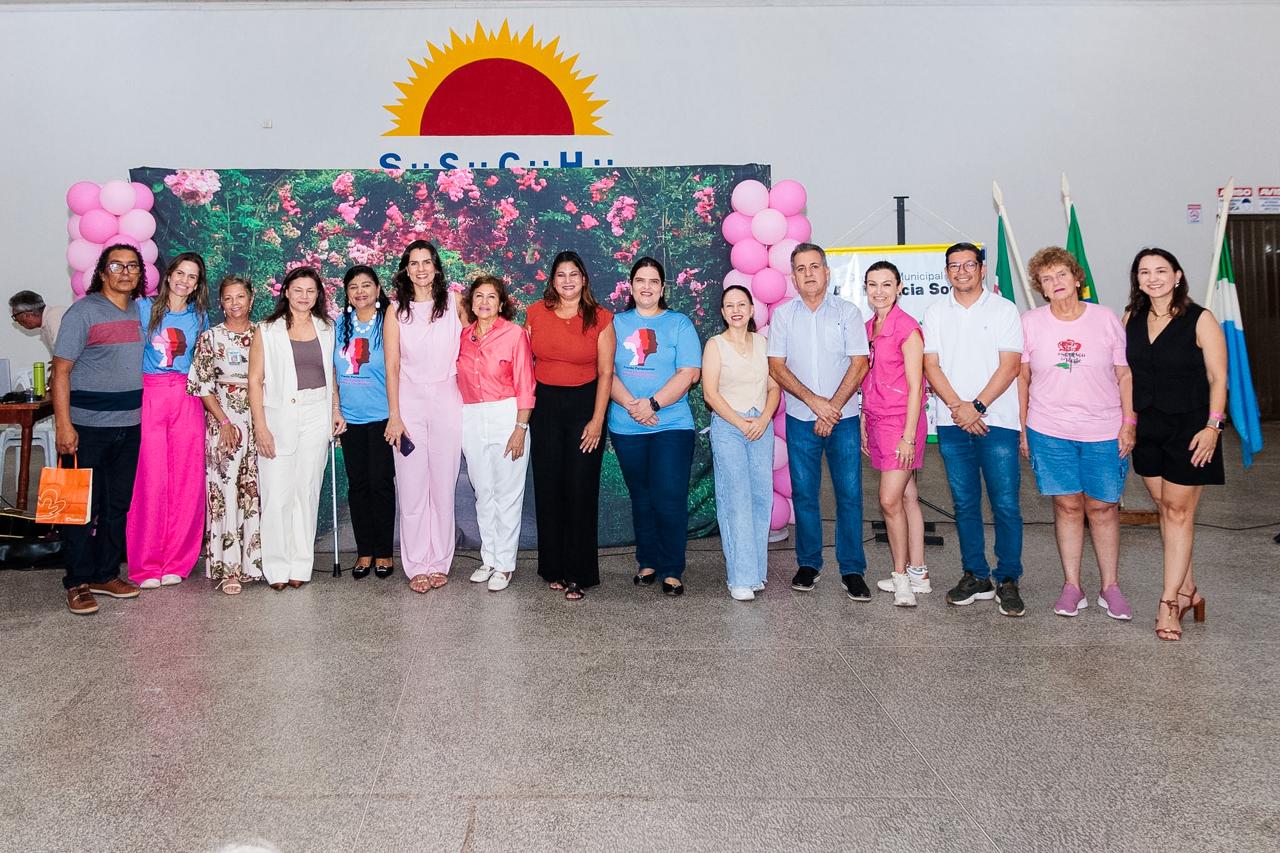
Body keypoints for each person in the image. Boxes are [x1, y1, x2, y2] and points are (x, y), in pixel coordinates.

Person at [1019, 247, 1135, 620]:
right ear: (1040, 287)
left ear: (1076, 277)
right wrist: (1023, 428)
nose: (1056, 283)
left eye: (1061, 274)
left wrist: (1129, 422)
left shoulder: (1105, 318)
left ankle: (1110, 587)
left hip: (1104, 428)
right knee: (1067, 506)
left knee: (1103, 507)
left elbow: (1124, 373)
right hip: (1049, 429)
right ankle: (1072, 586)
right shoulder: (1030, 323)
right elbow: (1022, 378)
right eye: (1047, 278)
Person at [1124, 248, 1227, 641]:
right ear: (1137, 279)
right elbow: (1125, 375)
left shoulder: (1200, 319)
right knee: (1166, 511)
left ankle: (1169, 603)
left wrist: (1213, 426)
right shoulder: (1131, 318)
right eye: (1144, 272)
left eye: (1161, 271)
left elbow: (1218, 378)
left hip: (1191, 429)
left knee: (1179, 514)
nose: (1153, 278)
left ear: (1178, 276)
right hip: (1147, 429)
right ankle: (1189, 590)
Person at [921, 242, 1026, 617]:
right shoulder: (936, 312)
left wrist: (977, 406)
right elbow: (931, 365)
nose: (961, 271)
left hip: (997, 422)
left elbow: (1010, 365)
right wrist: (959, 408)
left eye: (969, 264)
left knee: (1005, 504)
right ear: (946, 272)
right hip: (953, 423)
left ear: (982, 269)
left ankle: (1008, 578)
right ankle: (976, 575)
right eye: (954, 265)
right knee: (964, 503)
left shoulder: (1004, 309)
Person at [767, 242, 870, 599]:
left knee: (850, 494)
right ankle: (809, 563)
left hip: (843, 419)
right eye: (801, 268)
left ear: (827, 272)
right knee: (805, 494)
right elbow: (776, 366)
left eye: (814, 266)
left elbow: (860, 363)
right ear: (793, 278)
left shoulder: (848, 312)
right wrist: (815, 403)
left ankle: (852, 569)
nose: (808, 274)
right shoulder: (783, 316)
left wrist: (832, 408)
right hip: (800, 419)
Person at [51, 244, 146, 614]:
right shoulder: (83, 312)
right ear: (103, 272)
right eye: (117, 265)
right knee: (76, 507)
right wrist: (64, 425)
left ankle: (106, 574)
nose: (125, 272)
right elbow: (61, 371)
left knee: (116, 506)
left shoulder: (139, 311)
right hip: (85, 429)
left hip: (130, 426)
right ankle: (76, 581)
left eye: (132, 266)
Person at [525, 250, 616, 601]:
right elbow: (524, 362)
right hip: (545, 407)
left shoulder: (602, 318)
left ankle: (579, 573)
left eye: (573, 274)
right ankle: (553, 568)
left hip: (584, 407)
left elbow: (606, 373)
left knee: (580, 488)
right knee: (549, 487)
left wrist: (597, 420)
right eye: (561, 275)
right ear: (552, 280)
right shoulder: (535, 313)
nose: (567, 281)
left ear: (584, 279)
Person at [608, 257, 701, 595]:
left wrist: (653, 404)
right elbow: (605, 372)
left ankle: (672, 568)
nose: (646, 287)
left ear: (662, 288)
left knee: (669, 497)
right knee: (642, 496)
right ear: (630, 286)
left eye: (653, 281)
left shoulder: (679, 324)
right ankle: (647, 561)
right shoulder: (614, 324)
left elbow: (690, 373)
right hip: (626, 425)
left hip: (670, 425)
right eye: (640, 280)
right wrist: (633, 406)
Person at [248, 266, 345, 590]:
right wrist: (260, 427)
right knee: (277, 493)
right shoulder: (267, 330)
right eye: (298, 290)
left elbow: (332, 373)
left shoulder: (327, 328)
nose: (304, 296)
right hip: (278, 416)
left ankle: (300, 565)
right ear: (286, 292)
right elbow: (254, 380)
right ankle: (276, 567)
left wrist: (335, 409)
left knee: (307, 490)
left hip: (317, 411)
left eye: (310, 291)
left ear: (318, 295)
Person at [383, 240, 467, 593]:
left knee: (443, 486)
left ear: (436, 267)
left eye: (426, 262)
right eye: (414, 263)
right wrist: (395, 415)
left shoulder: (456, 303)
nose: (421, 269)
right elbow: (391, 366)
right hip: (409, 402)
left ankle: (439, 561)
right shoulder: (395, 311)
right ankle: (417, 563)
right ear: (406, 269)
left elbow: (479, 339)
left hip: (448, 398)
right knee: (412, 485)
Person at [126, 252, 210, 588]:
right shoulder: (143, 308)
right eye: (180, 273)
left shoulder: (199, 317)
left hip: (187, 398)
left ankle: (177, 559)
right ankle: (146, 564)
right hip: (151, 395)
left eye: (192, 277)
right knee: (150, 479)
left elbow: (203, 365)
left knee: (186, 480)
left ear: (197, 285)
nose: (184, 281)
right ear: (169, 275)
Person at [456, 275, 535, 592]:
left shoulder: (514, 334)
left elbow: (526, 384)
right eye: (478, 296)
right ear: (471, 302)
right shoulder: (463, 336)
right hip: (472, 416)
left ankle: (504, 564)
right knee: (483, 491)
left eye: (491, 296)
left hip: (507, 415)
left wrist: (520, 428)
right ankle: (488, 558)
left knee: (508, 493)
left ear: (501, 304)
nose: (484, 302)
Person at [703, 284, 780, 601]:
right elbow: (710, 394)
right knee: (735, 499)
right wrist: (740, 422)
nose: (736, 310)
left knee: (761, 497)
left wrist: (763, 419)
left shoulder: (764, 343)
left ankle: (756, 573)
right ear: (723, 313)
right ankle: (739, 577)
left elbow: (774, 388)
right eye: (729, 305)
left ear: (751, 310)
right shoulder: (715, 345)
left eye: (741, 305)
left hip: (761, 426)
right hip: (729, 427)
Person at [187, 275, 262, 594]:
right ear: (221, 303)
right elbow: (202, 385)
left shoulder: (263, 334)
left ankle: (255, 564)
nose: (235, 303)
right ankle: (228, 568)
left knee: (254, 491)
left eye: (240, 297)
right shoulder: (210, 338)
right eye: (228, 298)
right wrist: (225, 422)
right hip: (225, 424)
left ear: (251, 299)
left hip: (260, 423)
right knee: (226, 492)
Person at [860, 261, 929, 607]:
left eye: (887, 284)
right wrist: (863, 419)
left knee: (889, 500)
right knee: (907, 497)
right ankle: (919, 573)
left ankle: (900, 577)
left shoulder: (907, 328)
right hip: (876, 419)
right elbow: (868, 377)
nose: (880, 291)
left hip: (901, 423)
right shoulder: (868, 327)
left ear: (900, 287)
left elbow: (917, 386)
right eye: (873, 285)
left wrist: (908, 436)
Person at [335, 265, 396, 580]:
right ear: (347, 293)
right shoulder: (338, 324)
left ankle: (384, 551)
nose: (360, 292)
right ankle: (365, 551)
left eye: (366, 285)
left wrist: (396, 415)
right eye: (353, 287)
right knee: (358, 486)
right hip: (351, 420)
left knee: (380, 484)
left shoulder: (389, 321)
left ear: (377, 289)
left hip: (382, 417)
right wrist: (336, 409)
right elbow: (332, 371)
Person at [9, 290, 66, 355]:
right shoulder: (47, 321)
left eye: (15, 316)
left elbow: (65, 355)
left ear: (27, 314)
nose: (16, 321)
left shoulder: (54, 316)